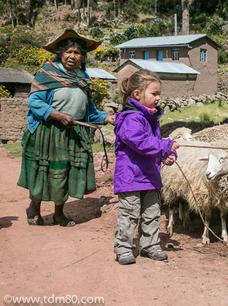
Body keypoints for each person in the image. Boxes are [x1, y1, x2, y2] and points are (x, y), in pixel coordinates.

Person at [18, 29, 115, 227]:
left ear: (82, 56)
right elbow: (34, 102)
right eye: (69, 52)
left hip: (74, 132)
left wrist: (108, 118)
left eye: (77, 53)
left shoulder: (82, 78)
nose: (72, 56)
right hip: (50, 131)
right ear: (60, 54)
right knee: (44, 171)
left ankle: (59, 214)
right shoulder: (48, 73)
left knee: (66, 172)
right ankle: (34, 207)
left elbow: (89, 111)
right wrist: (56, 115)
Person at [113, 69, 179, 265]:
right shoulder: (131, 118)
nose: (158, 98)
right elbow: (140, 142)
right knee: (129, 214)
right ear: (137, 94)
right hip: (131, 177)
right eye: (154, 93)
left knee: (151, 213)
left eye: (159, 94)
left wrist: (166, 155)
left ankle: (150, 245)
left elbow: (154, 143)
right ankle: (123, 247)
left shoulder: (151, 118)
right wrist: (165, 146)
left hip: (150, 175)